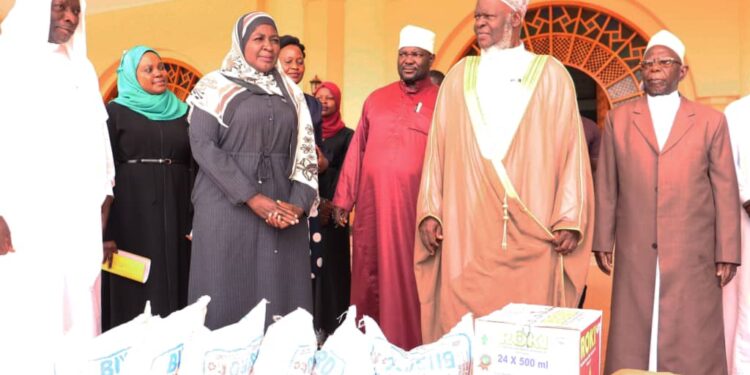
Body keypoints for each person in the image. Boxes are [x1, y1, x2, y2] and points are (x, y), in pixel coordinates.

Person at [415, 0, 594, 344]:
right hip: (466, 233)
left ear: (515, 17)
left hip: (533, 228)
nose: (478, 23)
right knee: (464, 330)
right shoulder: (456, 78)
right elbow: (436, 151)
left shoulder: (551, 74)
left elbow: (572, 150)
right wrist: (430, 212)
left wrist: (570, 217)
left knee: (527, 333)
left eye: (487, 16)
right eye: (476, 17)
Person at [594, 30, 740, 374]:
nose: (655, 69)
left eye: (665, 62)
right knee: (635, 330)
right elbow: (607, 185)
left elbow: (725, 189)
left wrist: (728, 251)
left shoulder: (710, 121)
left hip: (693, 250)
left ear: (682, 71)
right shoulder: (619, 119)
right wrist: (603, 239)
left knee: (692, 333)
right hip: (636, 246)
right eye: (649, 63)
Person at [0, 0, 115, 372]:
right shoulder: (7, 61)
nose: (69, 17)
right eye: (59, 8)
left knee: (78, 311)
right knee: (28, 307)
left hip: (75, 213)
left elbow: (99, 139)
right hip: (21, 213)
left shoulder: (80, 67)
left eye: (75, 11)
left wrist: (104, 197)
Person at [186, 12, 318, 329]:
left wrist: (297, 205)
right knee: (224, 288)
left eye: (273, 39)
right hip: (225, 203)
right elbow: (203, 144)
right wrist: (252, 197)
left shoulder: (292, 92)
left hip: (281, 208)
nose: (268, 47)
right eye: (258, 39)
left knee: (279, 291)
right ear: (242, 42)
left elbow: (305, 150)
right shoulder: (214, 86)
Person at [332, 25, 439, 350]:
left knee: (408, 277)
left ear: (430, 59)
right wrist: (343, 199)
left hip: (414, 211)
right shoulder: (376, 99)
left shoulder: (443, 101)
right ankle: (368, 347)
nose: (409, 61)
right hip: (372, 208)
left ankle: (410, 347)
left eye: (416, 55)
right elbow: (357, 153)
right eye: (404, 54)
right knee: (369, 272)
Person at [101, 46, 193, 330]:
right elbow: (106, 171)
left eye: (161, 67)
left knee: (177, 274)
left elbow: (195, 163)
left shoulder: (183, 111)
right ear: (131, 75)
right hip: (131, 211)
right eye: (148, 69)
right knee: (136, 281)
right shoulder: (115, 112)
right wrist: (107, 231)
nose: (159, 73)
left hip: (177, 207)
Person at [312, 81, 354, 338]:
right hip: (308, 209)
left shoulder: (347, 135)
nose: (325, 102)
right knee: (311, 268)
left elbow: (351, 172)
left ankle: (335, 324)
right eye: (320, 97)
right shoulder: (307, 131)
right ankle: (313, 323)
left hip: (334, 210)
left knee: (332, 268)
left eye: (330, 98)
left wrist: (327, 169)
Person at [723, 92, 750, 373]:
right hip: (747, 220)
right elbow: (727, 164)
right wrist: (747, 198)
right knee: (747, 307)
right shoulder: (737, 111)